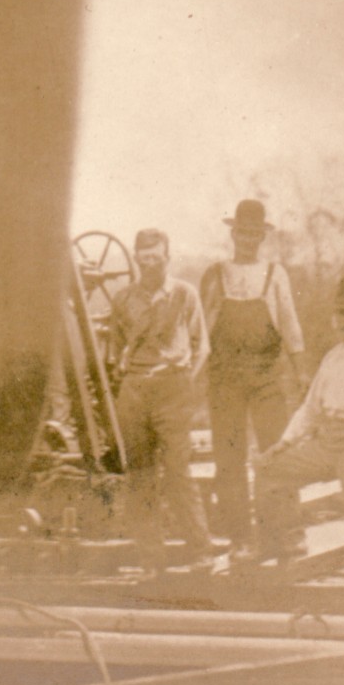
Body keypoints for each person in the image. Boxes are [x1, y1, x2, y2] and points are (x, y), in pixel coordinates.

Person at [254, 275, 344, 592]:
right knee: (269, 470)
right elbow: (310, 409)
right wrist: (284, 444)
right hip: (327, 441)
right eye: (342, 313)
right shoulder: (332, 357)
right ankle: (288, 544)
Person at [200, 198, 307, 557]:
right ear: (233, 234)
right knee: (229, 458)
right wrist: (193, 375)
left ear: (262, 237)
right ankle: (240, 538)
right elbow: (201, 331)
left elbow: (290, 324)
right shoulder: (215, 275)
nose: (248, 239)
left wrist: (301, 370)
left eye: (254, 234)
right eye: (242, 233)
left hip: (265, 376)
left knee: (276, 453)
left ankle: (285, 534)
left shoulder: (275, 274)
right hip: (225, 377)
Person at [107, 228, 215, 572]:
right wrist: (129, 381)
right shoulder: (123, 299)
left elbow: (202, 347)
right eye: (144, 258)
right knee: (140, 476)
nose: (150, 265)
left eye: (156, 258)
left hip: (173, 388)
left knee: (178, 472)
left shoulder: (184, 294)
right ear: (136, 259)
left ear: (167, 258)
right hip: (136, 389)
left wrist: (185, 383)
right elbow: (115, 351)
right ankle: (151, 560)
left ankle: (202, 552)